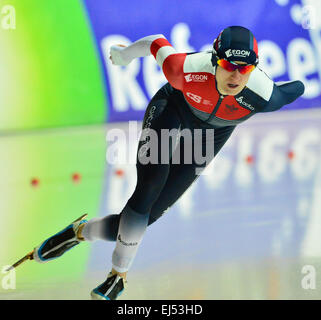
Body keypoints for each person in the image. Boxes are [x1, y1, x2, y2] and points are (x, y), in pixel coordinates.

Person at [20, 26, 305, 300]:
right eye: (230, 65)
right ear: (215, 60)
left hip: (210, 135)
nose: (236, 75)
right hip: (173, 110)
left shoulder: (264, 95)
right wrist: (125, 55)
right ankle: (118, 277)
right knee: (149, 187)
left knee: (142, 220)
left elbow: (295, 88)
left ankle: (79, 232)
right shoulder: (186, 69)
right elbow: (156, 41)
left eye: (246, 68)